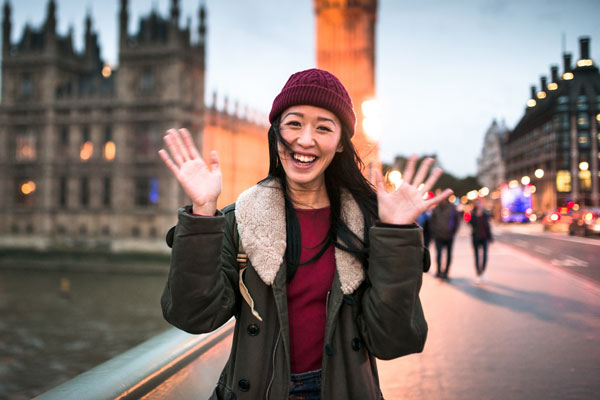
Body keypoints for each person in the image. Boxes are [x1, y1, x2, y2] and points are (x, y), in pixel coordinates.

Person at [158, 68, 453, 399]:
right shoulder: (238, 220)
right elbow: (193, 316)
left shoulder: (371, 228)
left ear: (341, 143)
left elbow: (394, 340)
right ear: (276, 132)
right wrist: (201, 214)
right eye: (294, 123)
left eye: (323, 127)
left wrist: (397, 234)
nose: (305, 139)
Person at [429, 194, 460, 280]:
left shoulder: (452, 208)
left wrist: (453, 232)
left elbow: (457, 221)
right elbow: (432, 221)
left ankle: (446, 272)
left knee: (449, 255)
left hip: (449, 236)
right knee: (438, 254)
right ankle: (438, 271)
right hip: (438, 235)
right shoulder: (436, 208)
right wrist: (434, 231)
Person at [469, 198, 493, 284]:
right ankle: (478, 274)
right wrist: (476, 215)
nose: (478, 205)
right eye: (477, 203)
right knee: (476, 257)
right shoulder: (472, 214)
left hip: (484, 237)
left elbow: (488, 226)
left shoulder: (485, 213)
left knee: (485, 256)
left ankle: (482, 272)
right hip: (476, 238)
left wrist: (490, 237)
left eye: (479, 203)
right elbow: (470, 224)